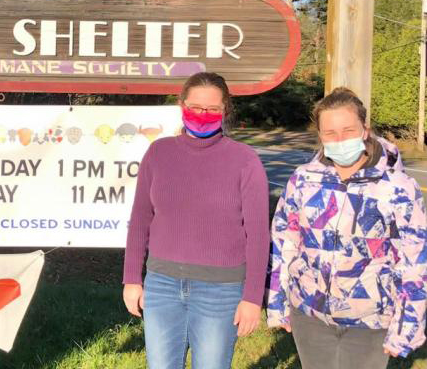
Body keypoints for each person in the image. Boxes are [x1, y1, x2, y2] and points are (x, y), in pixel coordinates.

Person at [267, 87, 427, 367]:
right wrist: (278, 304)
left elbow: (415, 261)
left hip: (370, 321)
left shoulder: (398, 188)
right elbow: (284, 242)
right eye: (330, 133)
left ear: (365, 130)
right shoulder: (303, 179)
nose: (339, 140)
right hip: (309, 315)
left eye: (348, 130)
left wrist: (406, 329)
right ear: (320, 136)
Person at [123, 72, 270, 368]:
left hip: (220, 290)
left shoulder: (245, 161)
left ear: (225, 110)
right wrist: (131, 279)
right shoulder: (158, 153)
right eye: (195, 107)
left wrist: (253, 297)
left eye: (212, 109)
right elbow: (140, 220)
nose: (202, 115)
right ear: (181, 104)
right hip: (162, 285)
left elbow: (258, 235)